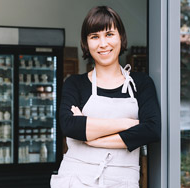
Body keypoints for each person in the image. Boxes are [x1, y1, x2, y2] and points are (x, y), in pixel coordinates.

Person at [50, 6, 161, 188]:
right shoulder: (75, 84)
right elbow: (69, 126)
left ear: (121, 37)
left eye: (109, 34)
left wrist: (90, 136)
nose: (103, 44)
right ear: (86, 43)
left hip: (123, 182)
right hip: (76, 180)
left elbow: (151, 130)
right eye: (94, 37)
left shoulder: (141, 83)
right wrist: (128, 124)